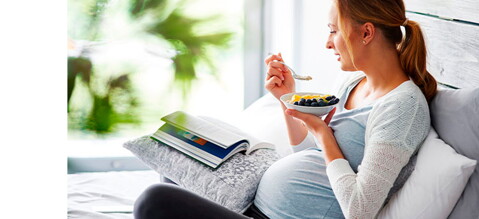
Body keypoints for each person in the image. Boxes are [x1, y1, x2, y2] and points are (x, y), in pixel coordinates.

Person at [133, 0, 437, 218]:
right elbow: (310, 154)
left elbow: (360, 210)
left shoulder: (403, 107)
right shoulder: (354, 83)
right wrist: (287, 99)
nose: (328, 43)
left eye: (333, 30)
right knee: (177, 164)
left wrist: (324, 135)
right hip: (255, 206)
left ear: (366, 33)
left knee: (153, 200)